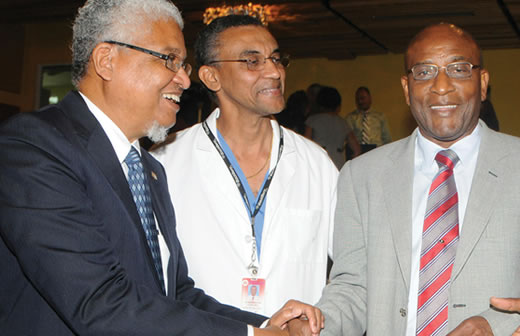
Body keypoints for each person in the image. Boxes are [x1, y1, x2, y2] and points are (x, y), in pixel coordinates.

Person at [0, 1, 323, 335]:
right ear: (107, 61)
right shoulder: (34, 148)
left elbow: (176, 294)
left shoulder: (149, 168)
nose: (184, 79)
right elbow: (99, 302)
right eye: (169, 60)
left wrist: (269, 325)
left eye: (183, 64)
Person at [315, 23, 520, 335]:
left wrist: (499, 324)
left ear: (483, 82)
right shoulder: (361, 177)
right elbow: (353, 290)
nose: (441, 86)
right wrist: (314, 326)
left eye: (459, 69)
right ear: (406, 87)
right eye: (424, 72)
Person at [153, 14, 338, 318]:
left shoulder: (316, 163)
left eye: (276, 59)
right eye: (252, 61)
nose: (274, 72)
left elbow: (350, 271)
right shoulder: (166, 162)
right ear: (212, 77)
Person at [304, 86, 361, 169]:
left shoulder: (312, 120)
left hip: (318, 163)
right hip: (338, 164)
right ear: (338, 105)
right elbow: (357, 150)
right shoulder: (343, 123)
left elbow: (305, 144)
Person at [345, 86, 391, 153]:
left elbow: (387, 139)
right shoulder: (350, 118)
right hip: (358, 153)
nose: (360, 101)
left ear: (370, 98)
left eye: (362, 98)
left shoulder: (380, 116)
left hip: (377, 152)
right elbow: (347, 139)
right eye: (357, 99)